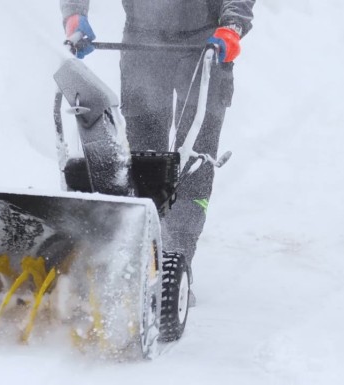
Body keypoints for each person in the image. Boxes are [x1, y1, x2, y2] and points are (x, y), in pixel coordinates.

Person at [60, 0, 255, 306]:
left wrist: (233, 25)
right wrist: (74, 15)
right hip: (143, 45)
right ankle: (141, 261)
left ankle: (177, 260)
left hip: (207, 44)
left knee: (194, 162)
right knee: (144, 164)